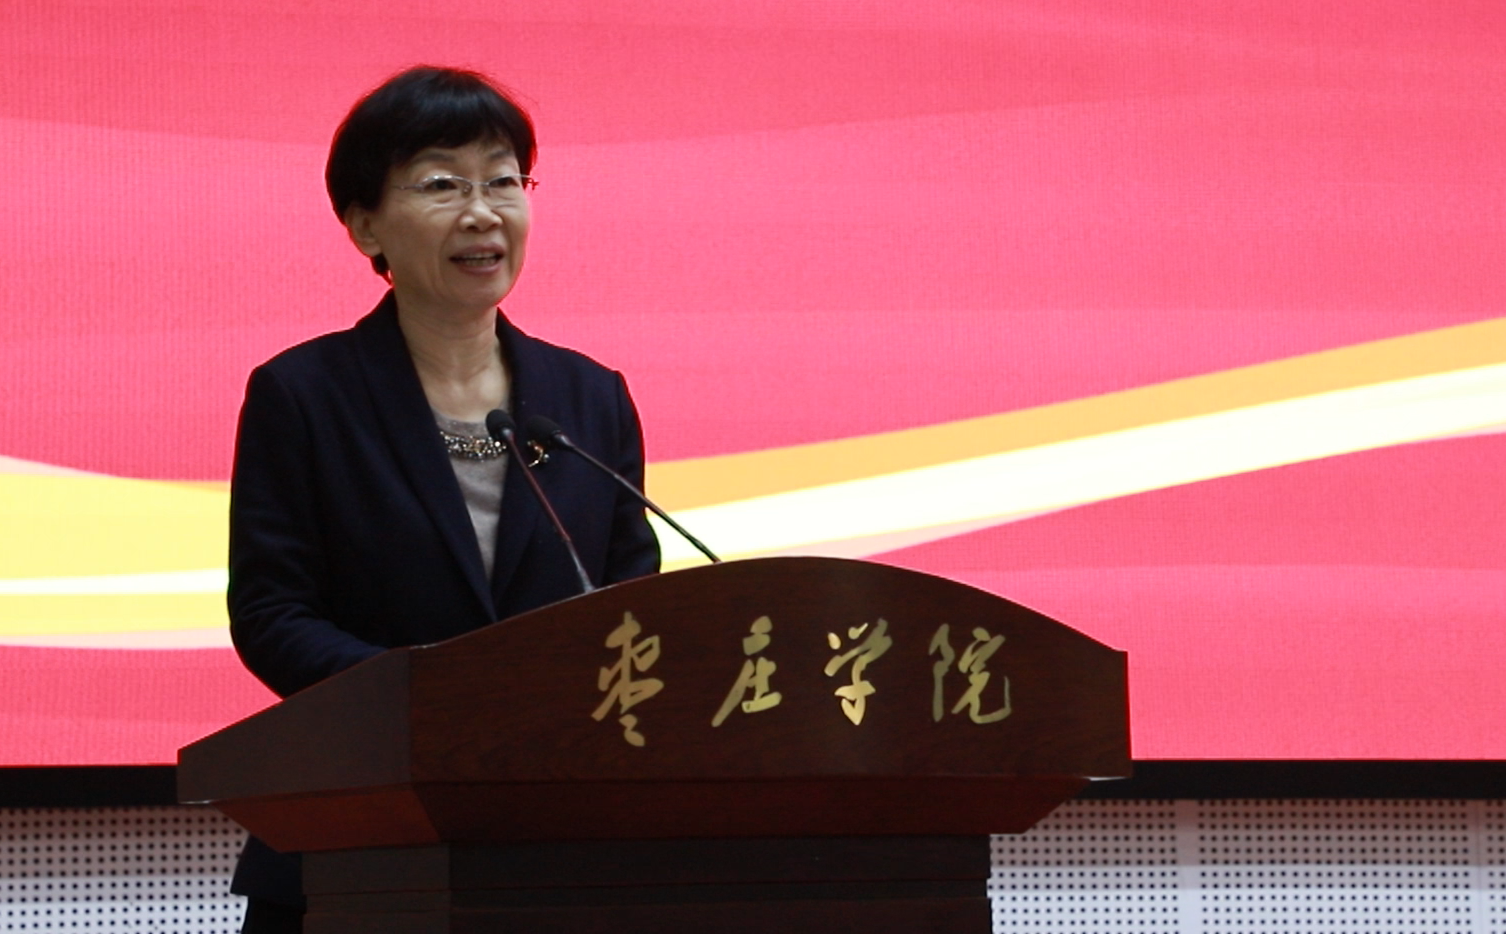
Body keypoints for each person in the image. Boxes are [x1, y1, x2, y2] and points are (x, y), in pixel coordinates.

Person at [226, 66, 661, 933]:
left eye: (504, 181)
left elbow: (632, 604)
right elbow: (273, 616)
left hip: (565, 845)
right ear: (364, 224)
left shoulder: (589, 398)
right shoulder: (304, 395)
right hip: (360, 836)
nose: (483, 212)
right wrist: (434, 700)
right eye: (441, 185)